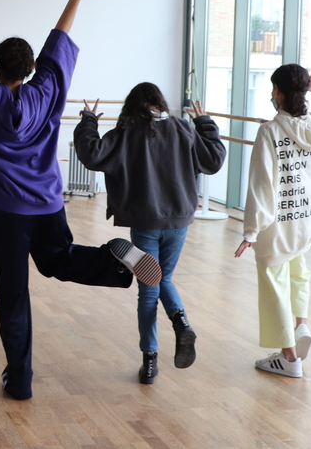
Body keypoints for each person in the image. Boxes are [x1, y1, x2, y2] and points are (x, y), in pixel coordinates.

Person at [0, 0, 161, 401]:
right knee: (58, 260)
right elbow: (58, 45)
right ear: (30, 69)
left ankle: (20, 379)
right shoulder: (47, 91)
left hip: (6, 211)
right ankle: (117, 264)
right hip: (47, 202)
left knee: (13, 294)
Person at [73, 84, 225, 384]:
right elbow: (214, 159)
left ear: (131, 106)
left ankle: (150, 361)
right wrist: (204, 123)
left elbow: (91, 154)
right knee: (163, 278)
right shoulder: (183, 128)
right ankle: (181, 324)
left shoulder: (127, 132)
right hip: (179, 221)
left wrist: (89, 120)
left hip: (144, 221)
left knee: (148, 288)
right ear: (159, 102)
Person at [235, 64, 311, 378]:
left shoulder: (270, 131)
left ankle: (289, 358)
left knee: (274, 287)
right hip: (306, 219)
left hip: (276, 225)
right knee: (298, 272)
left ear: (280, 92)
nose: (272, 94)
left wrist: (251, 231)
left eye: (274, 88)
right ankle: (302, 325)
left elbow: (261, 184)